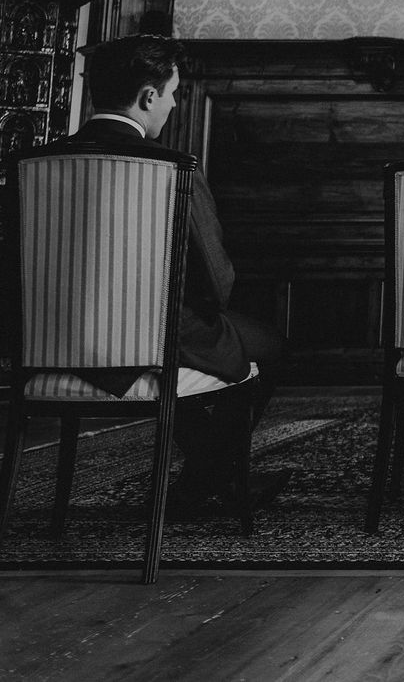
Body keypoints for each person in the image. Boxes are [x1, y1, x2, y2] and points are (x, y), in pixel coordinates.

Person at [54, 34, 289, 519]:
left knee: (200, 343)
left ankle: (209, 476)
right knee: (267, 345)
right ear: (148, 97)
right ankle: (209, 479)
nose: (175, 104)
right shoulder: (173, 170)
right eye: (174, 93)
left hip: (54, 339)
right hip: (149, 340)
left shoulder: (38, 163)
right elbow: (217, 282)